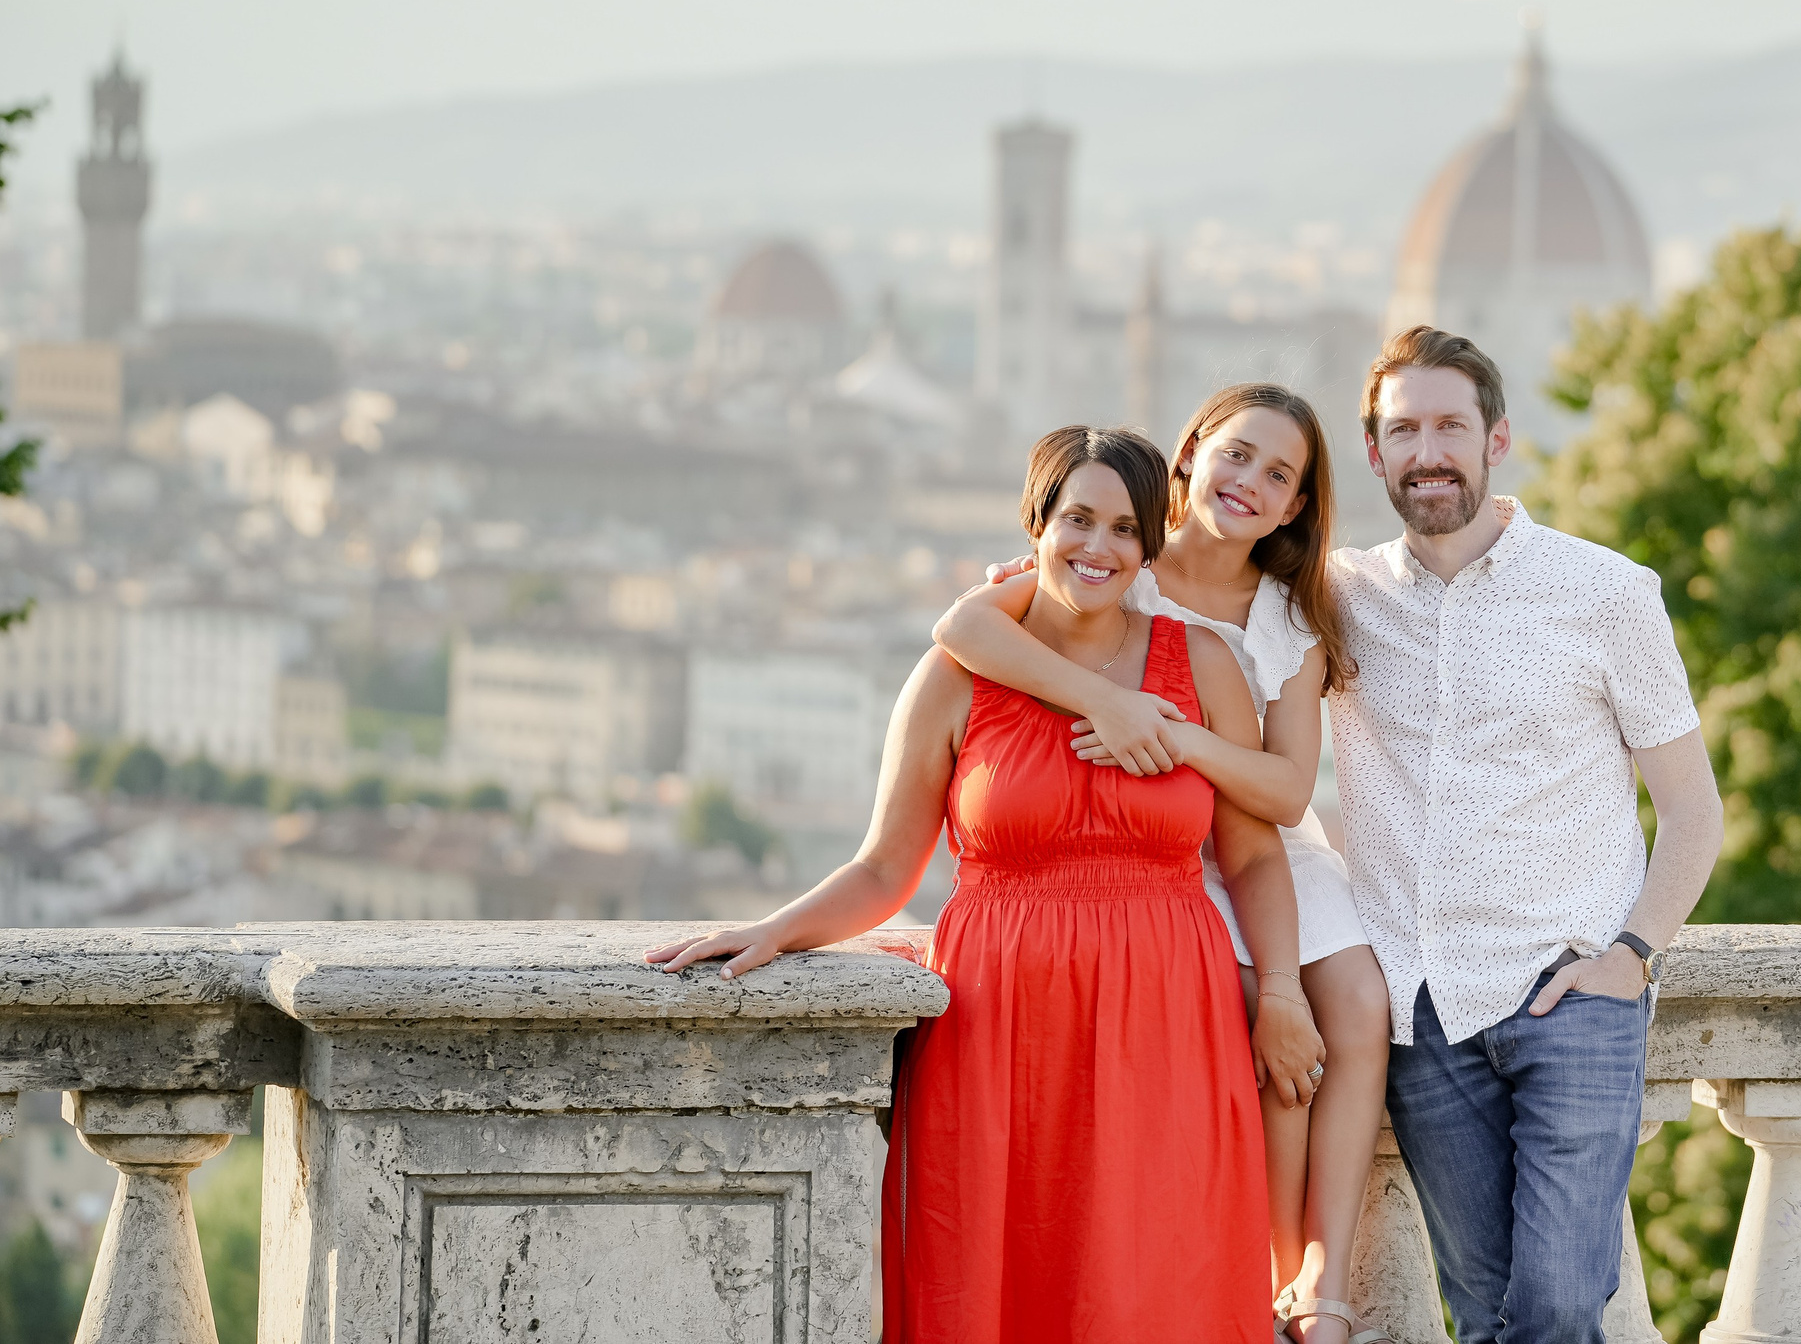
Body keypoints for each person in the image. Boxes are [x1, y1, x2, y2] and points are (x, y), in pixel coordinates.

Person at [648, 425, 1322, 1344]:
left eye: (1126, 529)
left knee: (1161, 1277)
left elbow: (1250, 856)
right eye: (1077, 518)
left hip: (1168, 1019)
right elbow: (888, 864)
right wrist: (778, 928)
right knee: (995, 1276)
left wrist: (1280, 989)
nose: (1100, 547)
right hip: (1000, 1028)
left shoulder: (1201, 665)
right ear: (1035, 524)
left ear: (1149, 544)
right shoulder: (954, 676)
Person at [936, 384, 1393, 1344]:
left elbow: (1283, 794)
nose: (1251, 482)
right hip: (1156, 846)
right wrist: (1108, 704)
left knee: (1352, 1003)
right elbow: (966, 630)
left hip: (1254, 835)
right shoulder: (1116, 554)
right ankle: (1268, 1253)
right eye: (1238, 454)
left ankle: (1321, 1271)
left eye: (1280, 474)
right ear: (1190, 453)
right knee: (1236, 1007)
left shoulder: (1288, 619)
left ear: (1299, 506)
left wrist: (1173, 738)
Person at [1339, 325, 1725, 1344]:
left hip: (1572, 994)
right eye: (1403, 429)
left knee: (1555, 1301)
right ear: (1373, 451)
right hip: (1422, 1010)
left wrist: (1633, 956)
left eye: (1449, 426)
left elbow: (1693, 809)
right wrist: (1014, 589)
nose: (1428, 450)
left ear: (1495, 439)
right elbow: (1180, 595)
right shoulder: (1336, 600)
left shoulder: (1605, 593)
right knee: (1487, 1312)